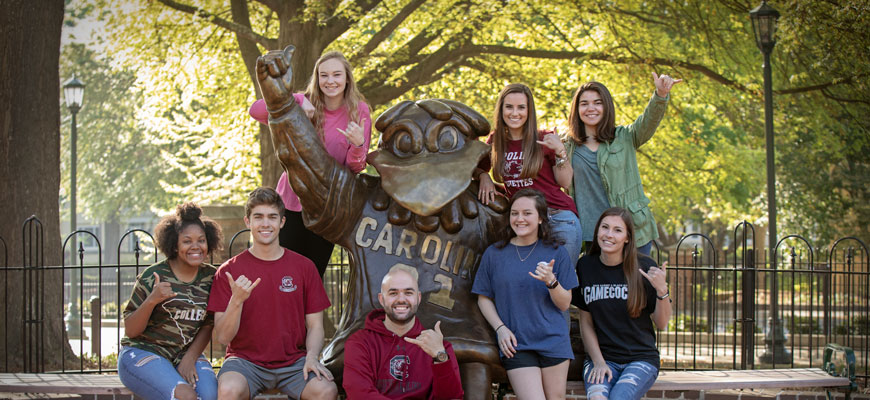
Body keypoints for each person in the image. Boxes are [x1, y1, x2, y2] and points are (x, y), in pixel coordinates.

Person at [249, 50, 372, 277]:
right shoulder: (301, 102)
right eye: (324, 75)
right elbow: (255, 110)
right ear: (317, 78)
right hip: (291, 201)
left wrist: (358, 144)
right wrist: (296, 99)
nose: (330, 81)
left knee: (311, 277)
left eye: (337, 75)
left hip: (325, 208)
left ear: (347, 78)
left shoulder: (359, 110)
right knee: (281, 275)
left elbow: (355, 167)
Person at [207, 187, 337, 400]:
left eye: (272, 217)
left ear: (282, 222)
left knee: (326, 391)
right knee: (228, 390)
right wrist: (236, 301)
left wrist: (312, 357)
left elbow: (315, 326)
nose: (265, 224)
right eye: (258, 217)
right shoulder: (229, 271)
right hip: (245, 362)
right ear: (248, 222)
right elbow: (223, 336)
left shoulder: (304, 267)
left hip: (294, 363)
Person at [472, 188, 578, 400]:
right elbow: (483, 297)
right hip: (517, 345)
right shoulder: (495, 253)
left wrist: (551, 282)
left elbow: (565, 303)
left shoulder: (557, 252)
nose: (519, 219)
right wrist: (500, 329)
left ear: (540, 218)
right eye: (514, 213)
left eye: (527, 213)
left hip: (553, 341)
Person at [565, 73, 682, 256]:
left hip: (631, 230)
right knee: (601, 285)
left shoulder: (624, 137)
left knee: (636, 284)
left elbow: (648, 122)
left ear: (606, 106)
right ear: (576, 109)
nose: (591, 108)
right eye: (584, 103)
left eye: (597, 102)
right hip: (592, 235)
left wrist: (660, 94)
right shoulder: (568, 146)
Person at [118, 202, 224, 400]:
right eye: (187, 241)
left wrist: (190, 358)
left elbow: (208, 325)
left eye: (201, 240)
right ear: (174, 245)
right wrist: (152, 300)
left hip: (183, 354)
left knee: (210, 396)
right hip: (142, 352)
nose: (195, 247)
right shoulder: (154, 275)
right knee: (186, 396)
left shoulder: (212, 277)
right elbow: (131, 331)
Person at [572, 207, 672, 400]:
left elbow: (661, 323)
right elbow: (586, 322)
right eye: (605, 227)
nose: (609, 235)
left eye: (617, 230)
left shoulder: (644, 267)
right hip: (601, 358)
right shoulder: (585, 266)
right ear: (597, 231)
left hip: (640, 359)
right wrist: (599, 362)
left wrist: (662, 291)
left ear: (627, 237)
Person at [476, 83, 582, 263]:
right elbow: (474, 167)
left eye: (521, 107)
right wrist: (483, 176)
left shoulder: (544, 138)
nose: (514, 113)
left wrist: (560, 152)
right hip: (523, 223)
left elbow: (565, 183)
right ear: (501, 110)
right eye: (509, 107)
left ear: (529, 111)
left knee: (558, 283)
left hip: (557, 218)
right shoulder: (496, 141)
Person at [343, 264, 464, 400]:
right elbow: (359, 394)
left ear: (418, 298)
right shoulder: (360, 342)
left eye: (408, 293)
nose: (401, 299)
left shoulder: (440, 346)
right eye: (393, 293)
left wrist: (440, 357)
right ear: (382, 299)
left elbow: (452, 397)